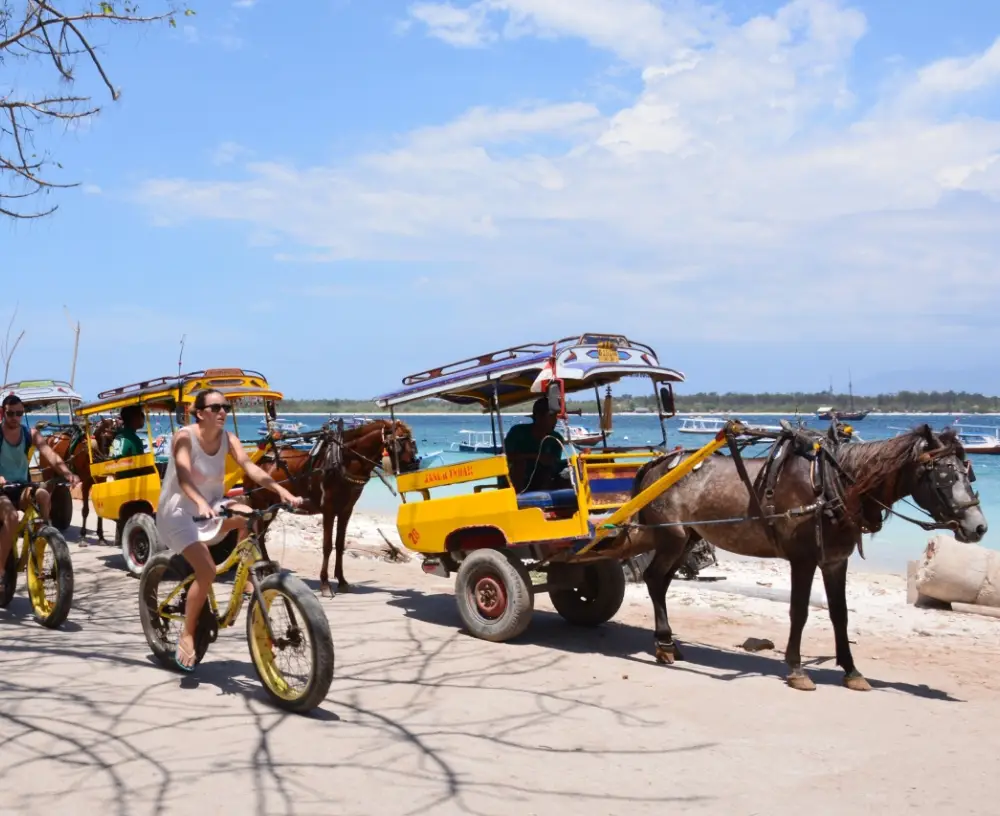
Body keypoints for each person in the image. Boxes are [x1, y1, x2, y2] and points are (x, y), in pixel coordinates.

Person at [156, 388, 303, 671]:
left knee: (251, 516)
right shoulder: (184, 438)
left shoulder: (228, 438)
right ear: (200, 413)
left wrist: (280, 490)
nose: (223, 412)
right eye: (216, 408)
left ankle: (245, 573)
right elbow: (184, 475)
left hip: (211, 506)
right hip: (178, 513)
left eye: (225, 407)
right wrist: (199, 502)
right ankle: (187, 634)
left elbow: (250, 467)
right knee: (207, 570)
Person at [0, 394, 81, 574]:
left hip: (20, 487)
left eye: (19, 413)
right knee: (12, 517)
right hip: (1, 492)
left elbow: (50, 455)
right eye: (10, 413)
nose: (15, 418)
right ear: (2, 413)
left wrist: (68, 474)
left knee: (43, 495)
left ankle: (42, 541)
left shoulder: (30, 434)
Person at [504, 397, 570, 492]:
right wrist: (536, 457)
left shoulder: (556, 438)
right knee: (520, 464)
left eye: (556, 417)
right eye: (551, 416)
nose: (555, 421)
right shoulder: (518, 432)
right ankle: (518, 498)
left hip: (544, 478)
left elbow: (555, 463)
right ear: (539, 416)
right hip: (515, 479)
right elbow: (505, 456)